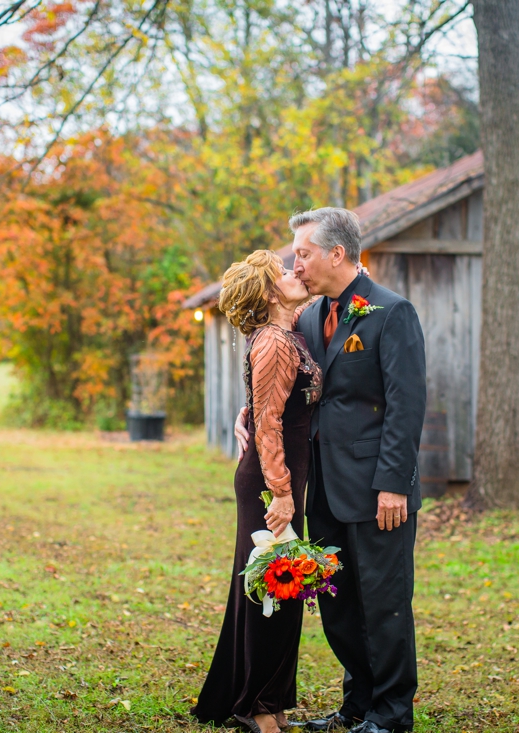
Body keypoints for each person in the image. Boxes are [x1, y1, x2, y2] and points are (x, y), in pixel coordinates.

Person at [235, 208, 427, 733]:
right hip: (320, 489)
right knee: (340, 610)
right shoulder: (308, 315)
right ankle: (358, 706)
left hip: (377, 492)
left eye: (303, 253)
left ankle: (392, 715)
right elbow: (284, 382)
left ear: (336, 254)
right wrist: (247, 412)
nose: (296, 264)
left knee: (384, 604)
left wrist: (394, 485)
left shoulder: (391, 312)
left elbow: (406, 405)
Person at [192, 250, 323, 733]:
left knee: (283, 589)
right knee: (273, 588)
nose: (295, 272)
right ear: (270, 293)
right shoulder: (273, 341)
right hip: (271, 483)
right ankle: (258, 707)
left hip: (282, 477)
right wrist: (283, 493)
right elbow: (268, 424)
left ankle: (268, 700)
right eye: (284, 271)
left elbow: (264, 406)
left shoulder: (286, 330)